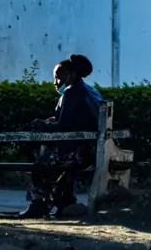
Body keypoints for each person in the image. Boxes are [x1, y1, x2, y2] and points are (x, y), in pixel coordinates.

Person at [20, 54, 103, 218]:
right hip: (93, 149)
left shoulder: (71, 93)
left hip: (79, 152)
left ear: (71, 75)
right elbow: (76, 120)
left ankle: (39, 205)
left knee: (41, 165)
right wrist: (55, 121)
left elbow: (63, 127)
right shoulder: (89, 90)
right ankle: (65, 202)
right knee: (56, 162)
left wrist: (44, 125)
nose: (55, 82)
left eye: (58, 77)